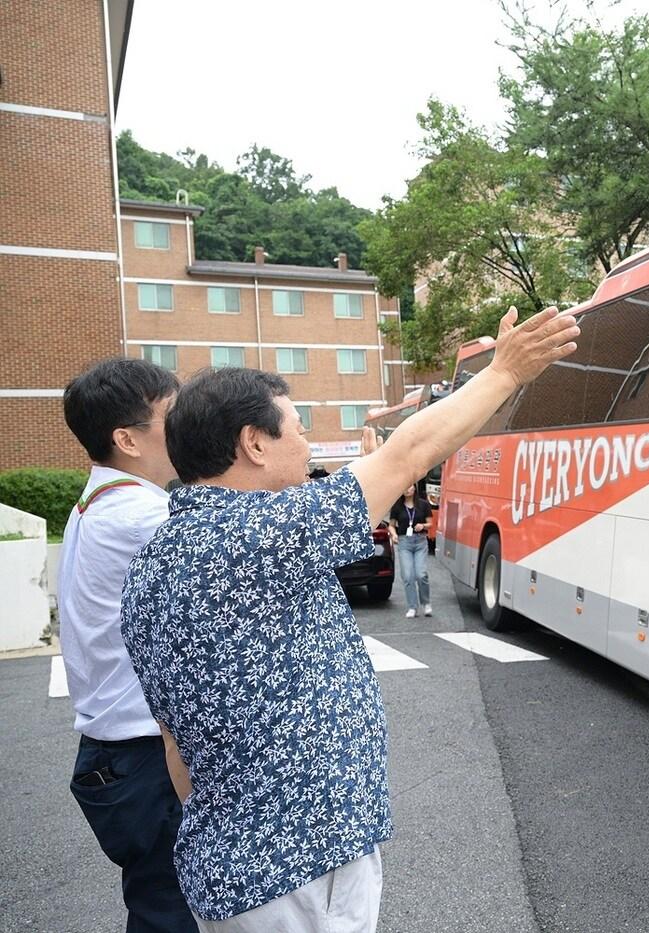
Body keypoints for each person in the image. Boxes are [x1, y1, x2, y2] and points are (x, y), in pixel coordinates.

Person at [120, 306, 577, 932]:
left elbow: (177, 747)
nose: (308, 446)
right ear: (253, 444)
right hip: (299, 872)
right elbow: (407, 456)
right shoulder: (255, 534)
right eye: (297, 429)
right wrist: (503, 371)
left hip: (236, 867)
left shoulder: (154, 564)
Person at [57, 358, 198, 932]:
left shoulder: (99, 503)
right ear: (127, 439)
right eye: (174, 415)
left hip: (115, 756)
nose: (189, 425)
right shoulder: (141, 514)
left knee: (160, 902)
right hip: (144, 758)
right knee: (175, 912)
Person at [388, 483, 433, 618]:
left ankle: (426, 603)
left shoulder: (423, 504)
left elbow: (430, 524)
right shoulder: (397, 506)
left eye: (409, 486)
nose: (407, 489)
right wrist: (394, 534)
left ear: (414, 488)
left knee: (421, 574)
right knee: (408, 576)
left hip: (420, 541)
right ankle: (412, 607)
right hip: (404, 543)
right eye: (404, 487)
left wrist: (423, 525)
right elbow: (391, 526)